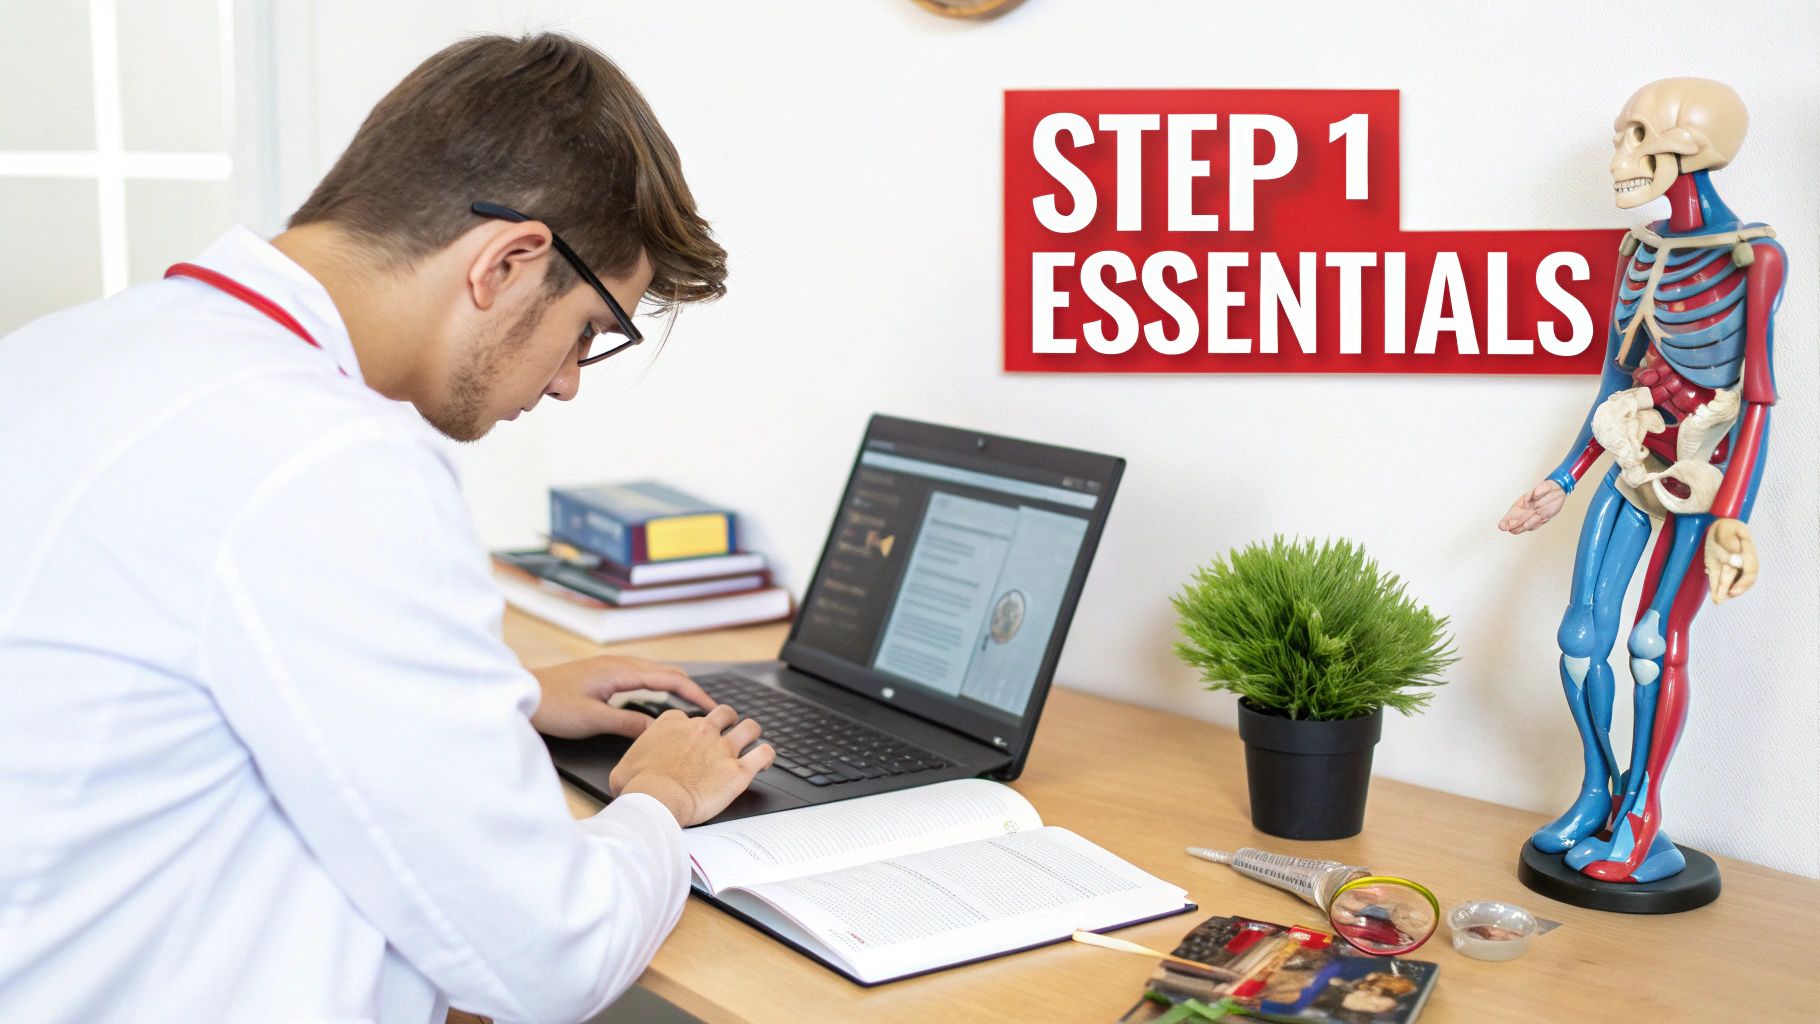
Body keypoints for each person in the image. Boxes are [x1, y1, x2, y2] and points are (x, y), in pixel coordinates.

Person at [0, 33, 771, 1024]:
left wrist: (499, 698)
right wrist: (661, 797)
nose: (570, 380)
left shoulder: (71, 350)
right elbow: (550, 958)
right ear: (506, 261)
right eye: (586, 330)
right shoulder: (328, 459)